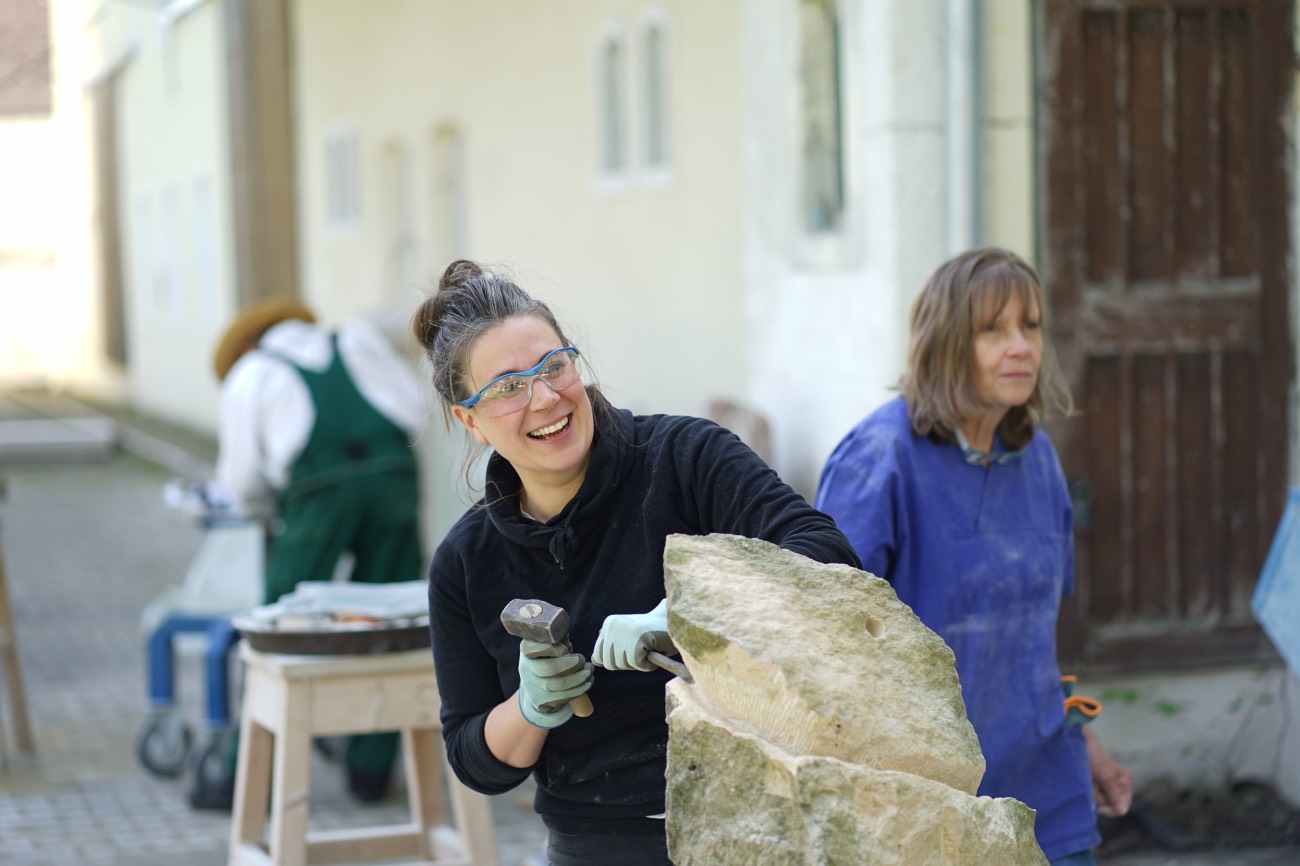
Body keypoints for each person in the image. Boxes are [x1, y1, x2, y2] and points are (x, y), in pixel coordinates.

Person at [411, 259, 861, 865]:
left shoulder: (686, 460)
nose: (545, 398)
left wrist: (686, 612)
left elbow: (825, 552)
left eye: (554, 367)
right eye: (509, 387)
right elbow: (475, 760)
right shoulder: (467, 562)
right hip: (594, 844)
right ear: (471, 421)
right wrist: (529, 706)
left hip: (752, 824)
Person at [814, 247, 1132, 865]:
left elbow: (1036, 641)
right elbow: (831, 646)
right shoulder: (879, 460)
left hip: (1046, 795)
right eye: (993, 330)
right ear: (947, 343)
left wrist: (1083, 739)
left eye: (1030, 327)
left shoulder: (1038, 458)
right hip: (928, 809)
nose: (1020, 347)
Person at [208, 297, 427, 806]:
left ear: (247, 344)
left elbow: (240, 481)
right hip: (394, 475)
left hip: (315, 493)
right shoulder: (355, 338)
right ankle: (370, 772)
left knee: (281, 627)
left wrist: (272, 509)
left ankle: (247, 777)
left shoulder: (254, 371)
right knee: (395, 625)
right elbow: (414, 413)